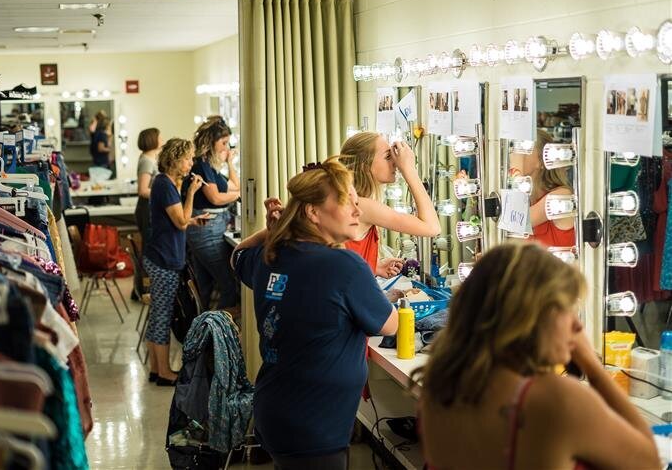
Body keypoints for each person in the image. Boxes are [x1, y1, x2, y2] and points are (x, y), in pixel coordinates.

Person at [414, 243, 659, 469]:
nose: (577, 325)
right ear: (531, 317)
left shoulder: (440, 386)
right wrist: (594, 368)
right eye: (566, 309)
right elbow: (648, 462)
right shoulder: (555, 399)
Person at [231, 157, 398, 469]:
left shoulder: (271, 256)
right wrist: (389, 298)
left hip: (274, 409)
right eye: (346, 201)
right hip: (314, 425)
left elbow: (237, 256)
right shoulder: (345, 266)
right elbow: (390, 325)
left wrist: (274, 233)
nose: (357, 211)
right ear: (312, 212)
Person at [143, 138, 209, 386]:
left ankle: (154, 368)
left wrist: (193, 220)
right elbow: (180, 221)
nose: (191, 163)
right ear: (175, 159)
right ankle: (164, 372)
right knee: (163, 315)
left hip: (161, 255)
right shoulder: (165, 185)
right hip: (164, 259)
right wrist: (191, 193)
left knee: (158, 314)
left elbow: (176, 220)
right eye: (188, 159)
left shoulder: (165, 183)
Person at [339, 132, 440, 277]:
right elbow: (432, 227)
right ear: (365, 167)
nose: (395, 162)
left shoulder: (352, 202)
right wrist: (409, 170)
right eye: (387, 157)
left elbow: (344, 263)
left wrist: (373, 266)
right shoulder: (361, 206)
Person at [183, 116, 241, 312]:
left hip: (211, 228)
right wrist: (240, 195)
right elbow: (216, 198)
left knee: (206, 287)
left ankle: (203, 334)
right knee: (228, 285)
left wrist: (231, 164)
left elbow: (235, 186)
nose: (226, 147)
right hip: (206, 229)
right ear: (211, 142)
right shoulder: (202, 165)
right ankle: (216, 334)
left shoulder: (213, 168)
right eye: (223, 143)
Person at [510, 129, 575, 248]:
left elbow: (516, 221)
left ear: (541, 161)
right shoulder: (523, 200)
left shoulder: (561, 196)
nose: (515, 156)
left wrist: (516, 168)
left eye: (524, 150)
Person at [133, 127, 162, 300]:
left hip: (149, 208)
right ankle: (143, 289)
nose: (162, 138)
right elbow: (143, 190)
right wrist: (163, 192)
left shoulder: (151, 159)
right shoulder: (146, 161)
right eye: (160, 136)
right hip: (146, 209)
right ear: (153, 139)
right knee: (149, 249)